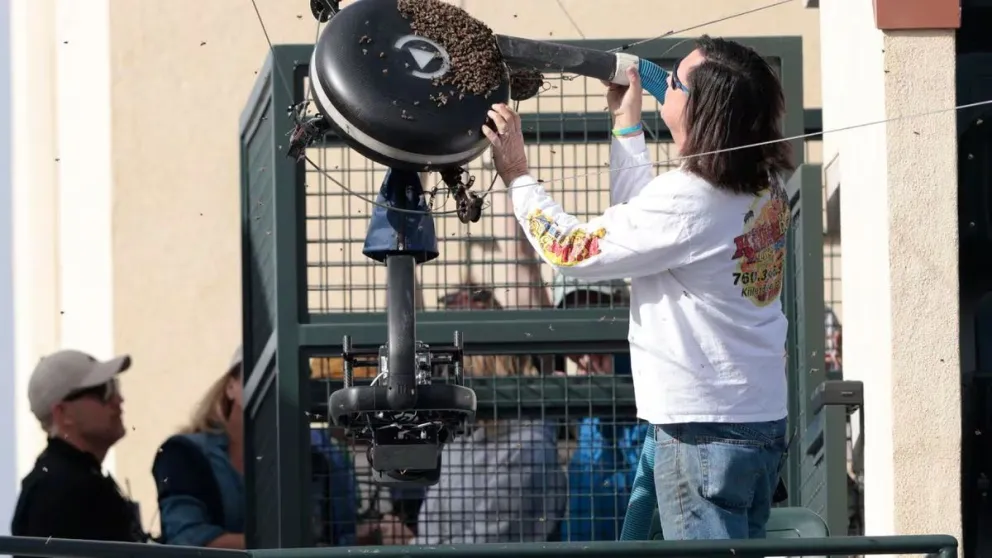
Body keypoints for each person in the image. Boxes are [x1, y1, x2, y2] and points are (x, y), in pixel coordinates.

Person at [482, 35, 795, 540]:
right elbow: (648, 231)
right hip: (751, 421)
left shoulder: (692, 199)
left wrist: (518, 175)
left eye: (674, 81)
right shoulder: (763, 186)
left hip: (700, 434)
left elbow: (570, 250)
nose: (663, 83)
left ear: (701, 109)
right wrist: (626, 126)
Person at [12, 349, 145, 542]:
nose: (118, 400)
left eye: (114, 386)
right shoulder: (55, 490)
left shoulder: (71, 479)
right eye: (104, 391)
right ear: (63, 413)